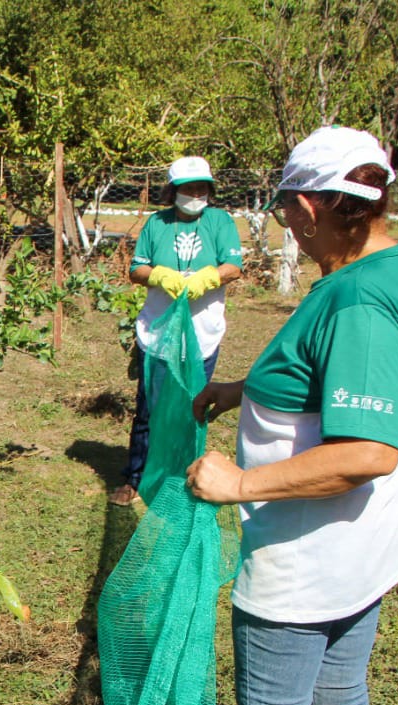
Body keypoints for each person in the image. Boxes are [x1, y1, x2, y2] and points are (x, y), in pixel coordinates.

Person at [185, 126, 398, 705]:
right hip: (368, 550)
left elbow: (366, 449)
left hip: (309, 558)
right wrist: (243, 392)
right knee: (341, 700)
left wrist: (239, 482)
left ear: (307, 205)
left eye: (287, 215)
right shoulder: (396, 274)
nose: (286, 228)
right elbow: (336, 382)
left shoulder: (359, 297)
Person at [111, 155, 243, 507]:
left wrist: (210, 277)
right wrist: (158, 275)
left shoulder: (220, 221)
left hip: (202, 332)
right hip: (158, 330)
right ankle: (137, 478)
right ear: (173, 191)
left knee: (192, 406)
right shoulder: (156, 224)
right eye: (188, 188)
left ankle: (182, 478)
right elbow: (137, 269)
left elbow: (234, 265)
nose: (195, 193)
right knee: (149, 409)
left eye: (202, 187)